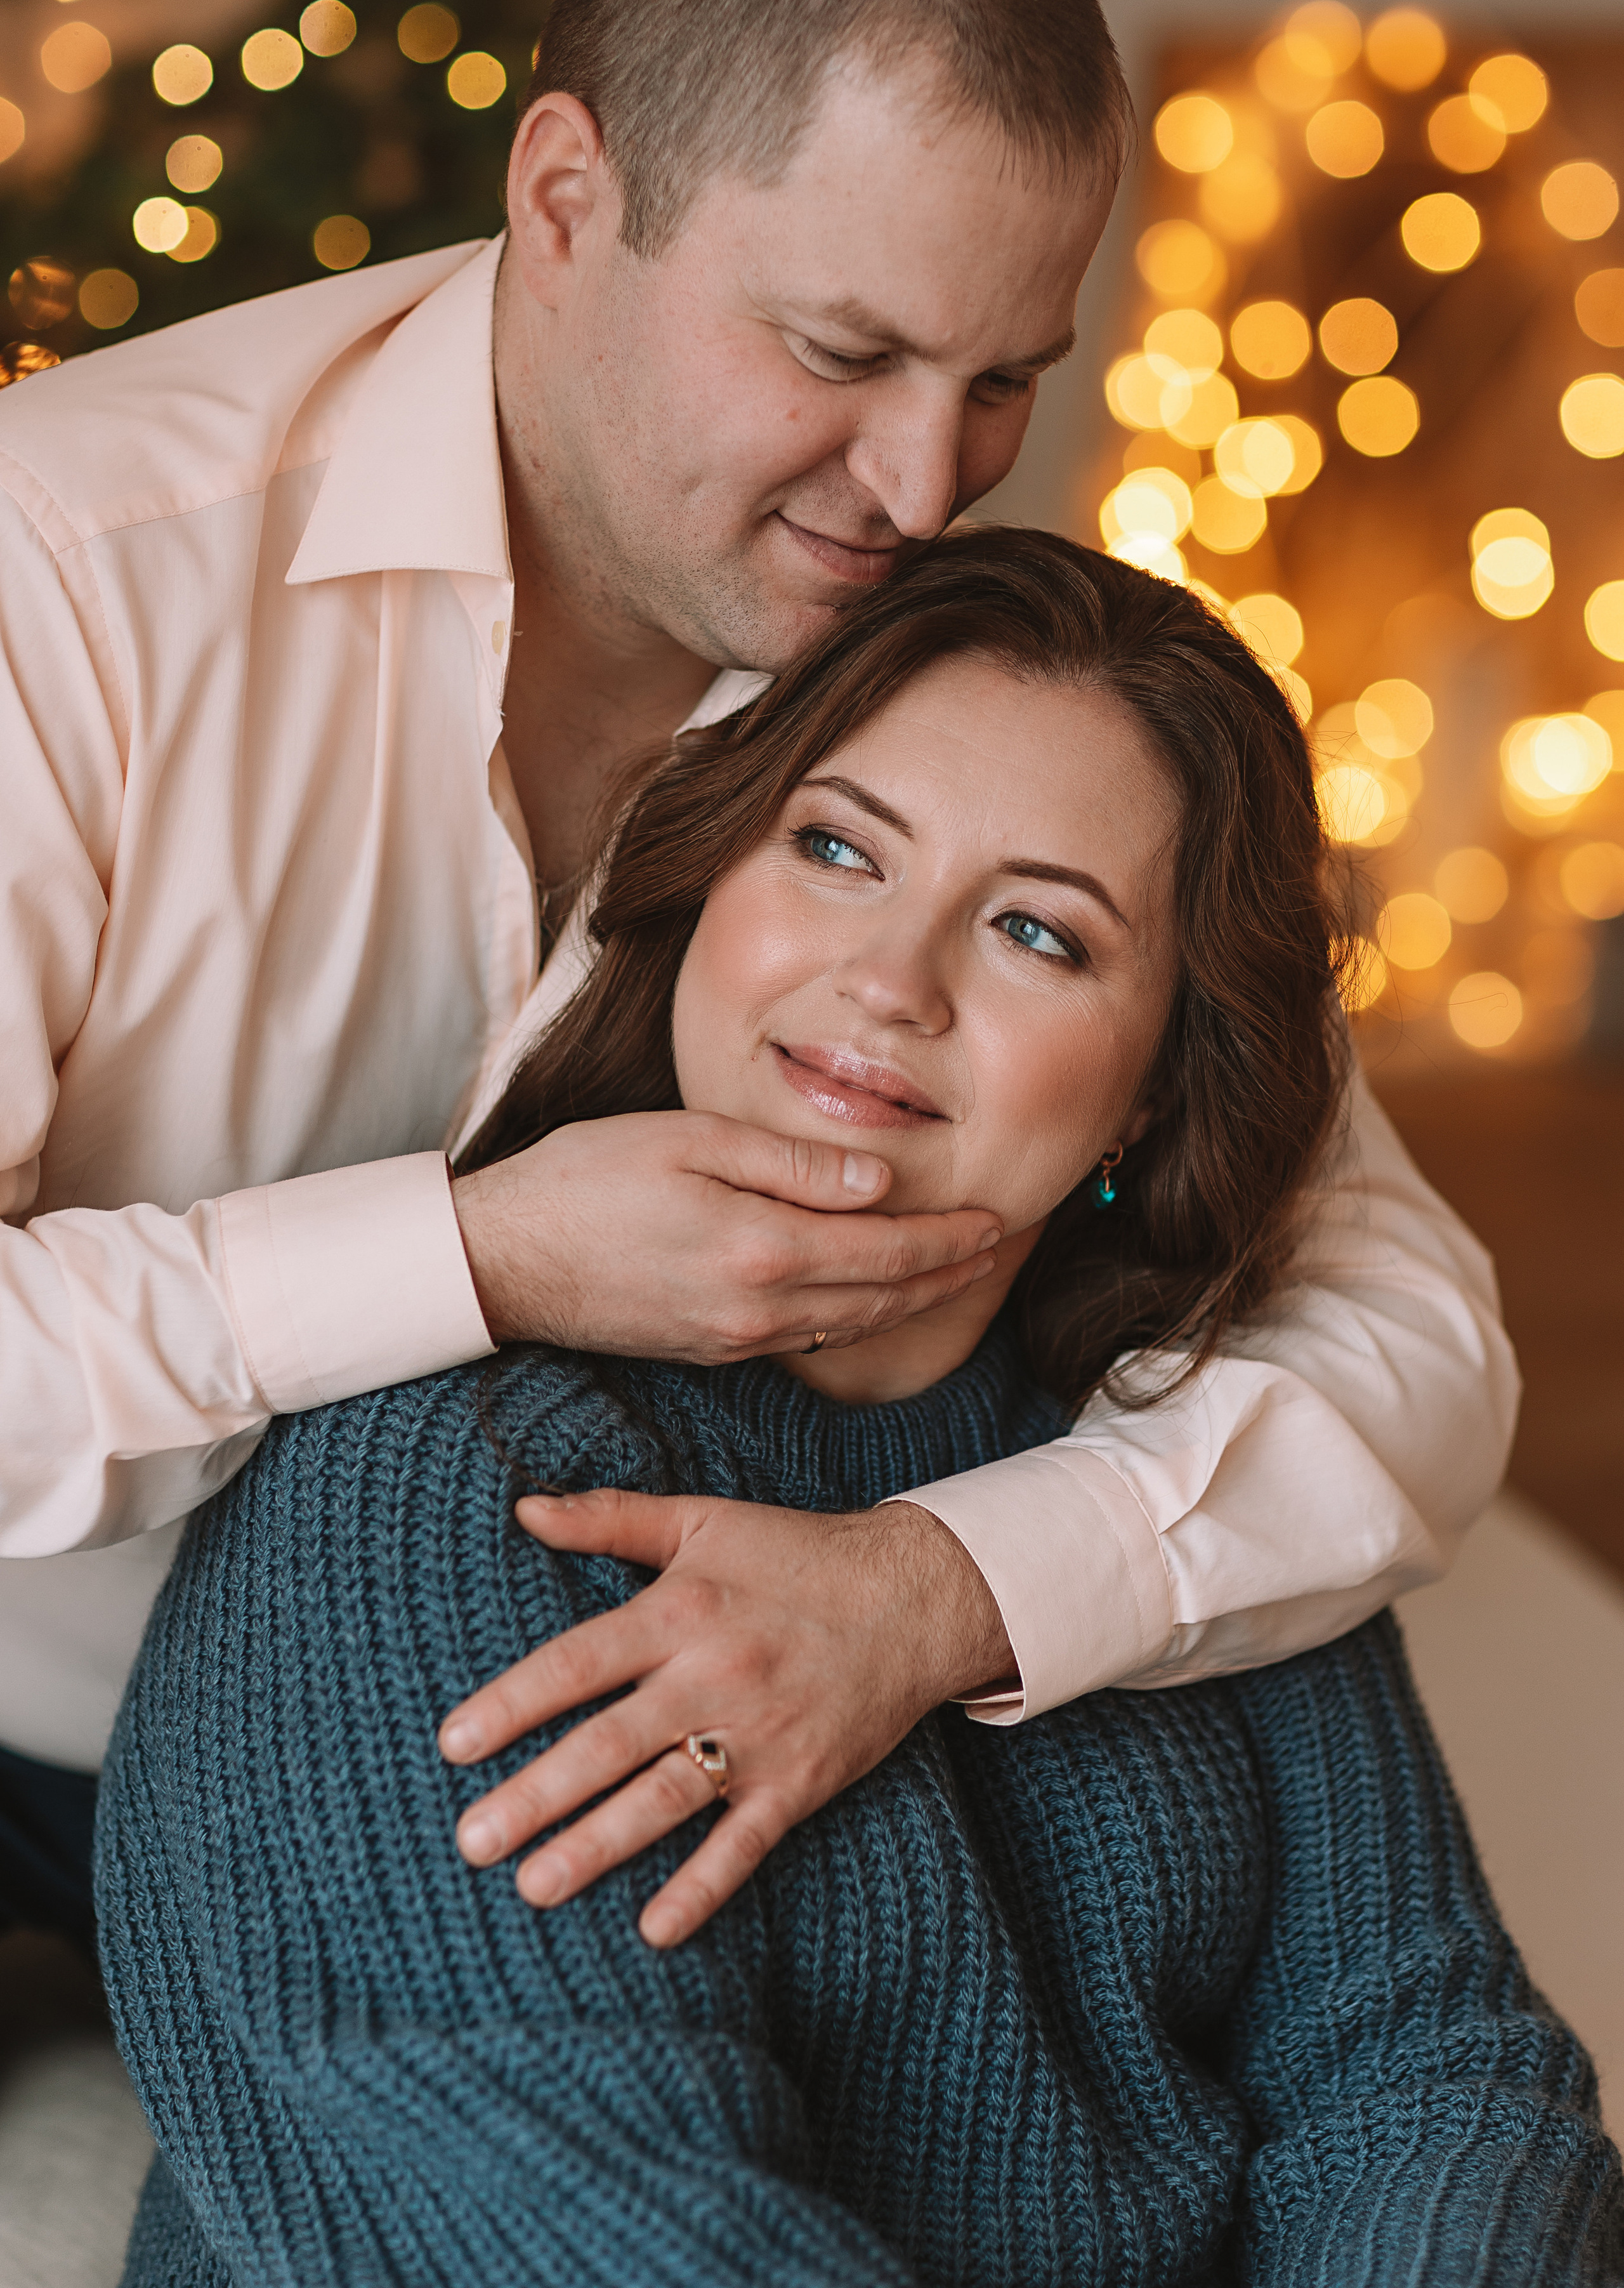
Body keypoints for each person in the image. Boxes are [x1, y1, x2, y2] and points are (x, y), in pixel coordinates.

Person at [2, 0, 1515, 1958]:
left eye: (1003, 380)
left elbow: (1409, 1326)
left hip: (604, 1714)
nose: (920, 485)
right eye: (841, 349)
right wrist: (475, 1255)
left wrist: (939, 1589)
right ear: (562, 199)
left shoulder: (919, 632)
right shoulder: (65, 578)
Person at [96, 534, 1620, 2288]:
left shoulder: (1187, 1465)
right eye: (834, 850)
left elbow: (1437, 2078)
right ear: (699, 891)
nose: (894, 979)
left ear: (1148, 1090)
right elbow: (578, 2224)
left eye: (1040, 932)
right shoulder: (439, 1485)